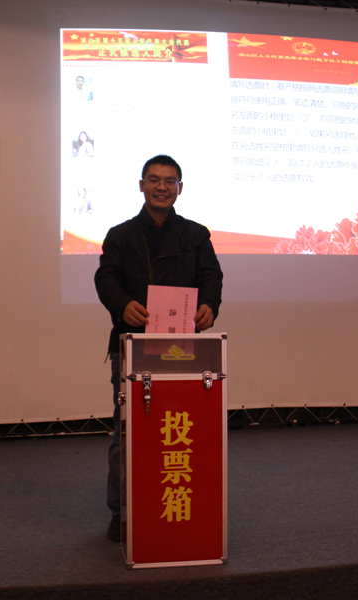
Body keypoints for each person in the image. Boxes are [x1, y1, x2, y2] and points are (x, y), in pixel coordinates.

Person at [94, 154, 223, 542]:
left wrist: (209, 305)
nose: (161, 187)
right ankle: (122, 513)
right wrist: (122, 305)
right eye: (154, 180)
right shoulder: (120, 235)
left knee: (181, 429)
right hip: (132, 345)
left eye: (169, 181)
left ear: (179, 188)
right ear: (142, 185)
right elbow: (106, 279)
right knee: (127, 432)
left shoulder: (196, 235)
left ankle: (176, 505)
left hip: (183, 348)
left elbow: (211, 277)